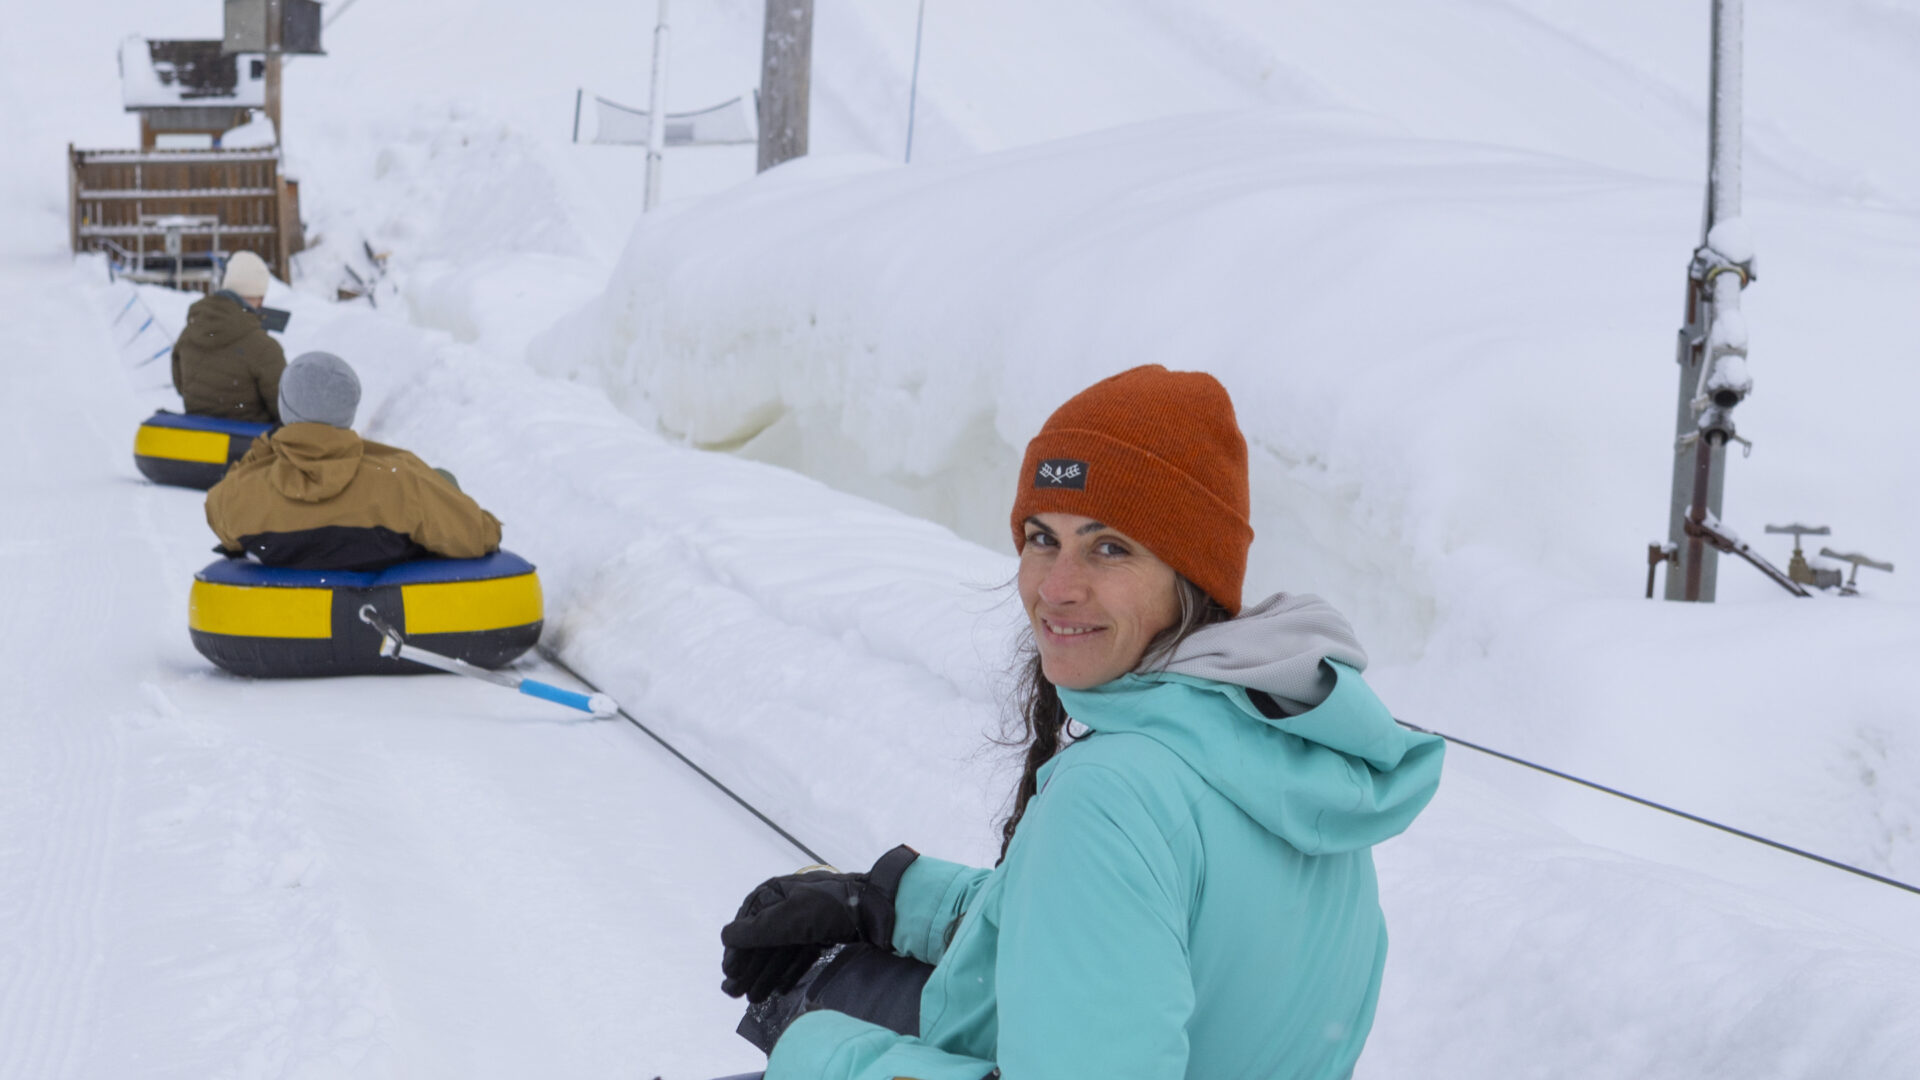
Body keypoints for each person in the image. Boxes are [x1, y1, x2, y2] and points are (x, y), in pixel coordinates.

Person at [715, 365, 1445, 1080]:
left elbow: (1109, 885)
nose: (1056, 589)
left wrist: (816, 1054)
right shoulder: (1288, 751)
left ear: (1191, 575)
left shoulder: (1114, 794)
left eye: (1109, 547)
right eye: (1042, 538)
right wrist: (888, 897)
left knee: (818, 1001)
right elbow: (1120, 929)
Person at [206, 352, 503, 570]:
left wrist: (265, 448)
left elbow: (221, 520)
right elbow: (480, 535)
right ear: (348, 410)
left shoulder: (238, 495)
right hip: (388, 620)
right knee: (442, 482)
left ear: (285, 410)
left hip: (287, 628)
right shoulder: (401, 479)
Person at [171, 250, 287, 422]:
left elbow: (181, 385)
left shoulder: (188, 334)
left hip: (198, 442)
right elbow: (284, 410)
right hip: (249, 445)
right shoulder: (264, 348)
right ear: (260, 299)